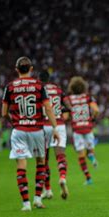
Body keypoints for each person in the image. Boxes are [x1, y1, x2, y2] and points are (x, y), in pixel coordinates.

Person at [2, 57, 60, 211]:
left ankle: (26, 204)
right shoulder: (39, 86)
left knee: (22, 165)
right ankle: (37, 199)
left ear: (16, 69)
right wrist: (55, 127)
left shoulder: (10, 87)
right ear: (31, 68)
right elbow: (48, 108)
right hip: (36, 130)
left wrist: (14, 121)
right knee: (41, 162)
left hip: (19, 130)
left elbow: (3, 113)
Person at [39, 71, 69, 200]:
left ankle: (48, 190)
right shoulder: (58, 90)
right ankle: (62, 177)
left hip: (44, 124)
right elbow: (68, 107)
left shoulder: (39, 89)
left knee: (44, 159)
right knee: (60, 155)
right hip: (59, 124)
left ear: (39, 79)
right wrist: (62, 116)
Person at [64, 76, 99, 185]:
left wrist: (69, 117)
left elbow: (65, 116)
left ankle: (88, 178)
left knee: (80, 154)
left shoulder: (69, 99)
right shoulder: (88, 97)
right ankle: (92, 157)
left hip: (77, 129)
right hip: (88, 127)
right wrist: (92, 118)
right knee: (90, 150)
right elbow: (96, 110)